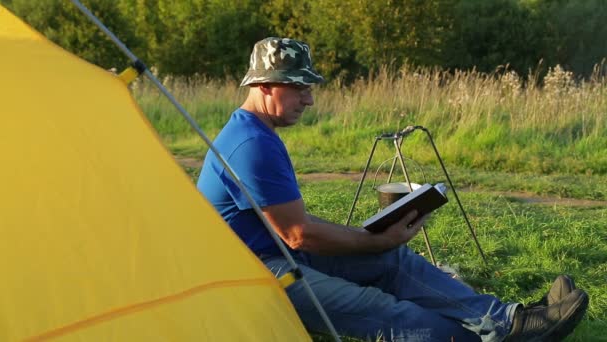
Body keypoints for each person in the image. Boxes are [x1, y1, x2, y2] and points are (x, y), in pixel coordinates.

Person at [197, 37, 589, 341]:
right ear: (265, 85)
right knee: (381, 307)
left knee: (393, 261)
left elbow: (292, 227)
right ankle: (484, 337)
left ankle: (510, 321)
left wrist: (373, 240)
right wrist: (369, 241)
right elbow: (298, 234)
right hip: (254, 277)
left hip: (276, 254)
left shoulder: (256, 133)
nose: (310, 99)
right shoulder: (250, 145)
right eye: (300, 87)